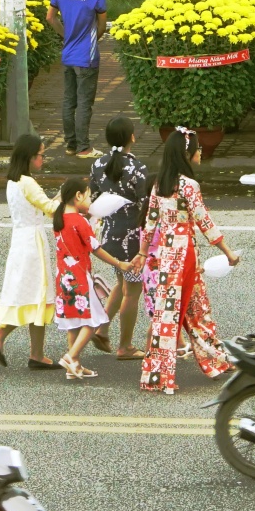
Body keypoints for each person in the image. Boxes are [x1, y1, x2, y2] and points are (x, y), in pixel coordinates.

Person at [141, 130, 237, 394]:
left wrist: (141, 254)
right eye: (198, 148)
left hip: (165, 256)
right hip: (185, 254)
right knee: (196, 310)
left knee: (169, 314)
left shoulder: (159, 184)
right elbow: (205, 222)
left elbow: (150, 223)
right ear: (187, 154)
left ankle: (160, 374)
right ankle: (213, 361)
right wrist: (228, 253)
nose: (200, 152)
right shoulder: (188, 186)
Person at [0, 134, 56, 369]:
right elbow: (49, 209)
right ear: (30, 156)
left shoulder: (13, 182)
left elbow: (40, 204)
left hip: (20, 240)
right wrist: (68, 198)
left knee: (33, 297)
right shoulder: (28, 183)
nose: (43, 159)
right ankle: (0, 336)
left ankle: (37, 354)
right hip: (34, 244)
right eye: (41, 155)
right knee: (37, 296)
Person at [88, 117, 149, 361]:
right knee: (132, 291)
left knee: (122, 284)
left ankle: (102, 330)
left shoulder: (97, 165)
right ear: (131, 137)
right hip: (133, 240)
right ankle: (125, 347)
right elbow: (146, 207)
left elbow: (93, 197)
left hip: (110, 237)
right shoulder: (137, 169)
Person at [51, 176, 124, 378]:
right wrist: (119, 263)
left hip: (63, 277)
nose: (90, 201)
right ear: (78, 195)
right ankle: (71, 356)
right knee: (95, 320)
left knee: (73, 322)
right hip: (80, 278)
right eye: (89, 197)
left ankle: (74, 365)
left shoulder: (59, 219)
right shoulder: (79, 221)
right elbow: (96, 249)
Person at [48, 0, 107, 158]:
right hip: (87, 57)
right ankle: (84, 148)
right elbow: (102, 26)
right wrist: (91, 40)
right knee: (84, 103)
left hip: (68, 54)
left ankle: (71, 145)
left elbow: (50, 18)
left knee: (68, 100)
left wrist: (66, 36)